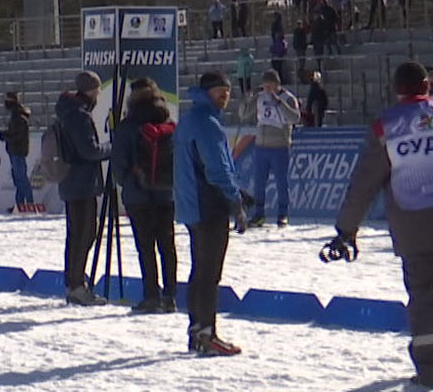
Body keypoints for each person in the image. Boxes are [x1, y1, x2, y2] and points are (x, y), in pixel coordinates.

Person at [327, 62, 433, 388]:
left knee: (424, 293)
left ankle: (431, 365)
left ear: (396, 89)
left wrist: (346, 229)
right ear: (428, 85)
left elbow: (365, 182)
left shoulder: (388, 126)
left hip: (414, 219)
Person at [173, 71, 245, 356]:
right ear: (207, 92)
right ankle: (207, 332)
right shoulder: (207, 123)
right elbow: (217, 168)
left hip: (192, 204)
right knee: (209, 272)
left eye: (227, 91)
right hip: (208, 204)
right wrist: (235, 200)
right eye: (219, 91)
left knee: (199, 269)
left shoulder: (189, 119)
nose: (224, 96)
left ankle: (196, 330)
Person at [109, 83, 178, 313]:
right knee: (167, 246)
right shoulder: (166, 123)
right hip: (166, 194)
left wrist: (128, 182)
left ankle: (151, 296)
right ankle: (170, 296)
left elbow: (119, 164)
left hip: (138, 196)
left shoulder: (128, 126)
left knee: (146, 247)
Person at [57, 71, 112, 305]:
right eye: (98, 90)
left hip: (74, 181)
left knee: (79, 233)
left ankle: (74, 280)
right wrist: (111, 147)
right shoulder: (78, 115)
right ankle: (76, 283)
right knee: (84, 233)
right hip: (81, 182)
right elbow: (89, 150)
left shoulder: (69, 111)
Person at [248, 70, 303, 228]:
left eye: (269, 85)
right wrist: (246, 100)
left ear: (277, 84)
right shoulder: (260, 97)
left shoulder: (288, 98)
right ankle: (259, 213)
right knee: (259, 182)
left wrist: (279, 102)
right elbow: (244, 114)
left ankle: (283, 213)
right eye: (264, 85)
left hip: (279, 146)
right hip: (261, 145)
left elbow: (295, 117)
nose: (267, 88)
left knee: (281, 182)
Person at [3, 92, 34, 212]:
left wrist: (6, 136)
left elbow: (17, 136)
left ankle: (30, 203)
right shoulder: (15, 116)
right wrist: (4, 134)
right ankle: (19, 204)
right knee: (18, 180)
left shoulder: (19, 117)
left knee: (21, 179)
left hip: (18, 151)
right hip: (14, 151)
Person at [269, 12, 288, 84]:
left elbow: (282, 49)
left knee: (279, 69)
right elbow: (272, 49)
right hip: (277, 56)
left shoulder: (281, 42)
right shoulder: (277, 41)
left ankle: (280, 81)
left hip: (279, 56)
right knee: (276, 68)